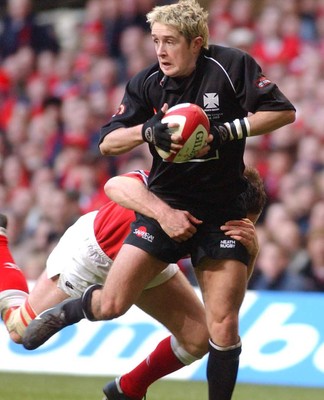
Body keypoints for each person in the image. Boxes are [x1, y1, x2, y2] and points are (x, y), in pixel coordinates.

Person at [24, 1, 295, 399]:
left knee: (222, 328)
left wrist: (225, 132)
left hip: (221, 213)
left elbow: (282, 112)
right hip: (162, 206)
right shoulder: (147, 81)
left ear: (197, 42)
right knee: (112, 304)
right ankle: (70, 312)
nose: (161, 50)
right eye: (155, 41)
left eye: (170, 41)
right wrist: (147, 131)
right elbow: (107, 142)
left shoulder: (231, 66)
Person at [2, 167, 265, 400]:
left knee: (198, 337)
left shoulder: (220, 229)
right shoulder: (179, 189)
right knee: (19, 331)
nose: (232, 234)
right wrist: (163, 213)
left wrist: (249, 253)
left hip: (150, 262)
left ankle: (127, 390)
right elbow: (116, 184)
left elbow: (225, 305)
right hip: (94, 256)